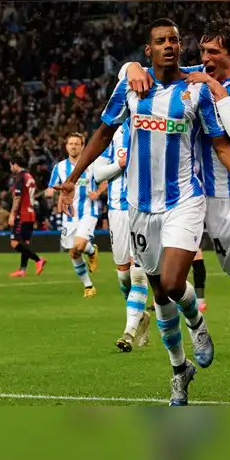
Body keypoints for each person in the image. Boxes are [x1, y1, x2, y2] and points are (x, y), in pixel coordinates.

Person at [57, 18, 230, 406]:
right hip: (139, 206)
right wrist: (71, 179)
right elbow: (103, 131)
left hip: (186, 200)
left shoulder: (196, 87)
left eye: (175, 41)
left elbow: (222, 144)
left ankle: (201, 324)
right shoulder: (132, 84)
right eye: (160, 41)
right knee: (160, 292)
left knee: (175, 282)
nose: (170, 46)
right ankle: (180, 370)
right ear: (148, 50)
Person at [122, 17, 230, 401]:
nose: (205, 59)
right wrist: (132, 66)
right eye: (201, 52)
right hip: (213, 205)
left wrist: (216, 88)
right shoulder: (195, 77)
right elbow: (147, 70)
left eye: (213, 52)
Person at [93, 123, 151, 352]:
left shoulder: (152, 126)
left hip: (145, 210)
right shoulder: (113, 131)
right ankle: (141, 316)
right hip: (118, 211)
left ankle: (129, 332)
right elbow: (98, 174)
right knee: (124, 278)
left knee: (138, 274)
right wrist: (120, 164)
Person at [45, 133, 101, 297]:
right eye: (70, 143)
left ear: (83, 146)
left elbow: (105, 180)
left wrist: (97, 192)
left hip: (88, 212)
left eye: (77, 143)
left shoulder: (91, 165)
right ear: (66, 146)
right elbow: (51, 187)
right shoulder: (60, 167)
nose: (73, 146)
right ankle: (88, 286)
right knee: (73, 252)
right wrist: (49, 193)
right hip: (68, 216)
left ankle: (89, 250)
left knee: (80, 245)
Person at [7, 160, 47, 277]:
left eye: (11, 165)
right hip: (30, 213)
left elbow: (17, 198)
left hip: (22, 214)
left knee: (14, 243)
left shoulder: (20, 177)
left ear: (15, 164)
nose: (10, 169)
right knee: (24, 243)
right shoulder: (29, 176)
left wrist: (12, 214)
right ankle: (22, 269)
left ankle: (38, 259)